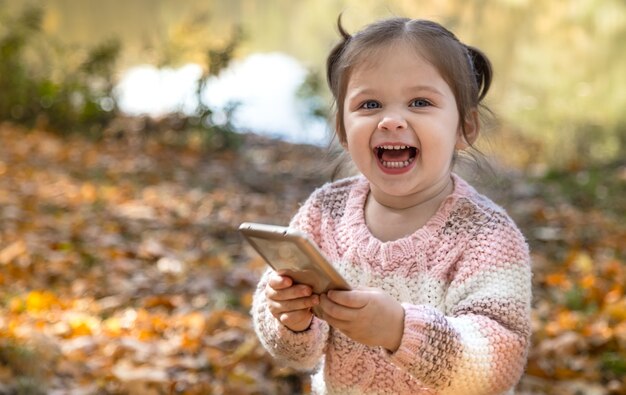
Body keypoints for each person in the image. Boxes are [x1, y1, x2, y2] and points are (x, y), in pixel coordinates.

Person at [251, 16, 531, 395]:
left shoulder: (486, 236)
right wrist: (290, 318)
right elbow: (299, 354)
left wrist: (400, 329)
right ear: (343, 131)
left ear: (465, 127)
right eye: (370, 104)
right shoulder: (324, 214)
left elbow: (499, 362)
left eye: (420, 102)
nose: (392, 120)